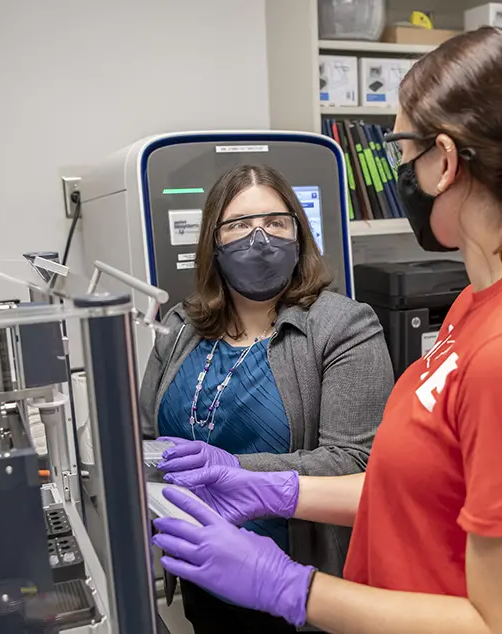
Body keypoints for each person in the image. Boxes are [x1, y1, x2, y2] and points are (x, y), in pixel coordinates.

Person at [150, 27, 502, 633]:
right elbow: (422, 486)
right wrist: (274, 491)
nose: (400, 170)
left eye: (403, 152)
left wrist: (289, 586)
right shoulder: (482, 304)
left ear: (445, 161)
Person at [137, 163, 394, 633]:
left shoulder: (344, 327)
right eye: (239, 225)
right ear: (214, 245)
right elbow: (147, 436)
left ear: (298, 237)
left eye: (275, 223)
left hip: (295, 588)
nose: (260, 238)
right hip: (200, 574)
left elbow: (356, 462)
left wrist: (235, 471)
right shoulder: (179, 328)